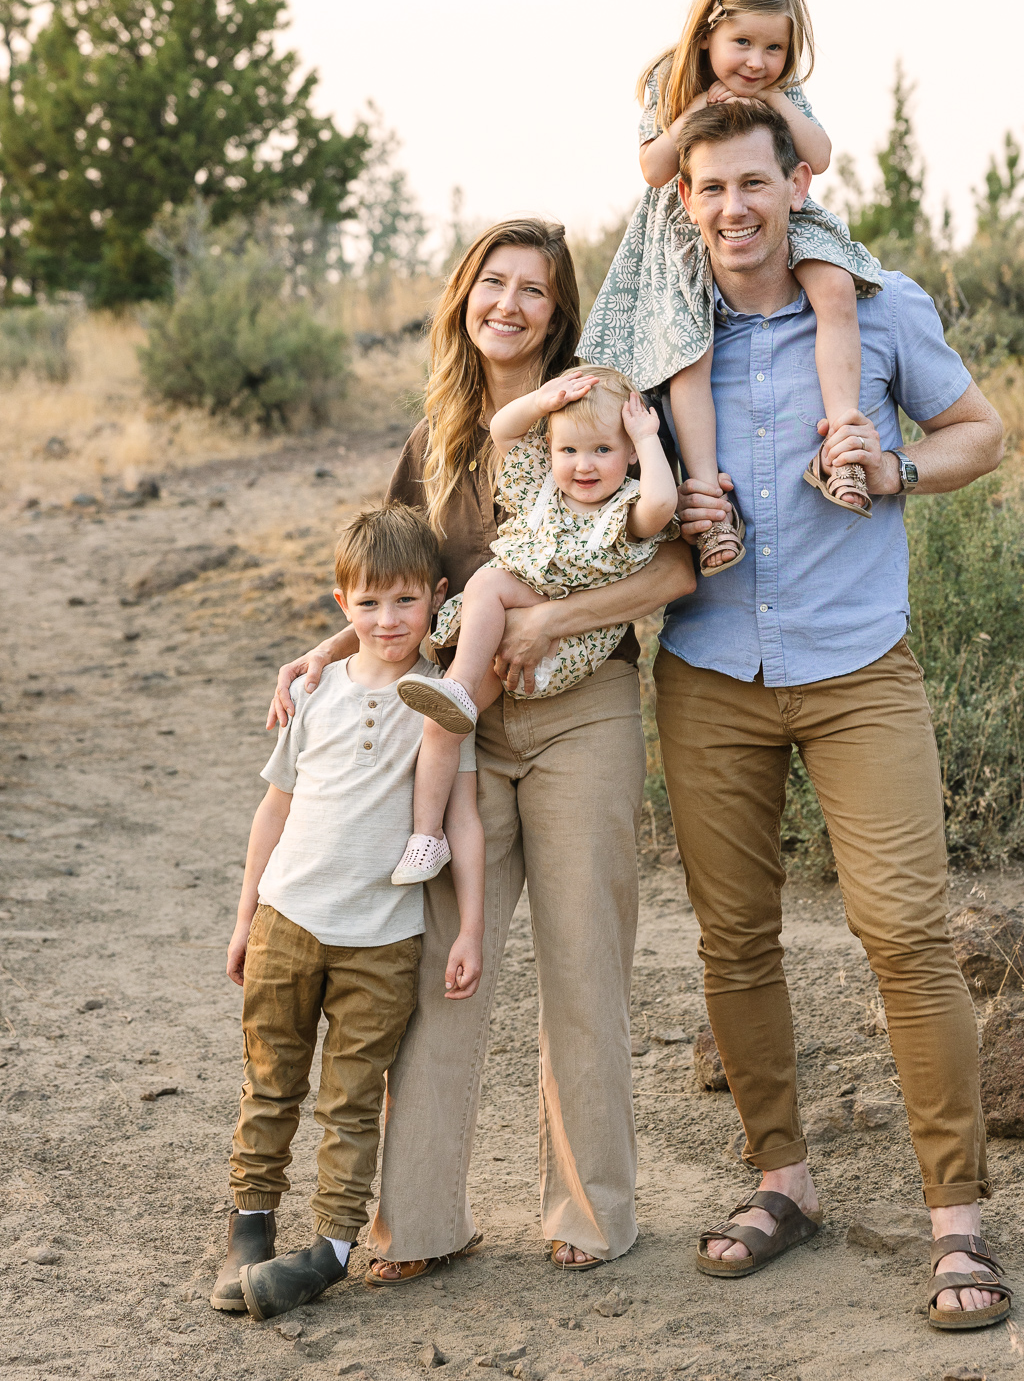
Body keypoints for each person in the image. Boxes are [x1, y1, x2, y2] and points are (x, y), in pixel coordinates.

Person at [268, 219, 696, 1277]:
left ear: (560, 311)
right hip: (457, 736)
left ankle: (589, 1214)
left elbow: (682, 568)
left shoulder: (598, 408)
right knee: (437, 970)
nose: (510, 304)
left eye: (535, 290)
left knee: (583, 963)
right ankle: (414, 1224)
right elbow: (395, 580)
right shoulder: (442, 433)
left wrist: (552, 621)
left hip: (580, 709)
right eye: (493, 283)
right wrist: (321, 652)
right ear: (465, 296)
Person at [651, 98, 1014, 1333]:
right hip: (707, 674)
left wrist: (899, 469)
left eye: (754, 184)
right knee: (733, 941)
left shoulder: (878, 306)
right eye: (710, 190)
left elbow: (981, 432)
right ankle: (781, 1181)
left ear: (792, 184)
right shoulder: (668, 330)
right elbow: (608, 483)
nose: (734, 210)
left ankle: (958, 1218)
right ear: (684, 200)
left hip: (861, 667)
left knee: (906, 934)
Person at [210, 505, 482, 1322]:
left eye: (405, 601)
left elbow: (461, 818)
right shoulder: (314, 690)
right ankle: (249, 1223)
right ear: (342, 605)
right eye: (369, 604)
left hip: (384, 939)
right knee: (271, 1080)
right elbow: (274, 809)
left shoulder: (440, 701)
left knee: (353, 1098)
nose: (388, 620)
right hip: (289, 919)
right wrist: (243, 915)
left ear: (436, 600)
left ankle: (328, 1247)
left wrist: (468, 924)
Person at [578, 0, 883, 573]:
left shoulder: (780, 88)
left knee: (834, 289)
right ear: (707, 32)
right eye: (742, 41)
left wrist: (777, 98)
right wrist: (697, 110)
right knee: (691, 348)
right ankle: (709, 497)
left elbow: (818, 156)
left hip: (780, 220)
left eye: (774, 48)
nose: (756, 61)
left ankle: (844, 440)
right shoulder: (673, 78)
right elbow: (655, 168)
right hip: (689, 228)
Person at [391, 364, 679, 885]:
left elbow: (662, 504)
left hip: (565, 640)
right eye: (568, 451)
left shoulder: (624, 510)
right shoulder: (540, 490)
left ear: (629, 454)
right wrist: (543, 402)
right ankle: (427, 836)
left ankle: (457, 683)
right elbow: (504, 429)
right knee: (441, 726)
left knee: (487, 582)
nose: (583, 466)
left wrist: (645, 437)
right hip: (507, 641)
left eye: (602, 450)